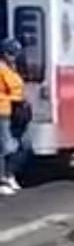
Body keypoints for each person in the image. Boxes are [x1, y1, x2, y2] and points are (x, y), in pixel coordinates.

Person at [0, 37, 26, 196]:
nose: (13, 56)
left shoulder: (12, 69)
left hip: (13, 112)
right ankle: (2, 180)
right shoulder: (1, 69)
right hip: (2, 111)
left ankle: (10, 175)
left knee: (22, 145)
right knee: (5, 147)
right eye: (10, 53)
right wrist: (14, 99)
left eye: (16, 53)